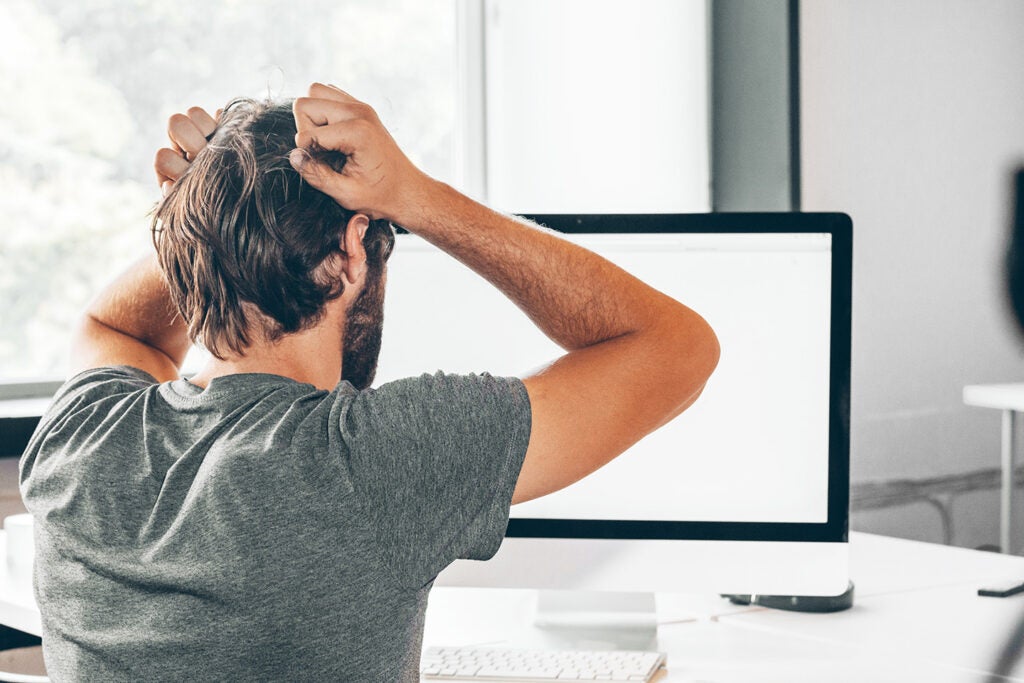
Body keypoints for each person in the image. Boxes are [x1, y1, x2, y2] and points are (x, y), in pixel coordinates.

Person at [19, 83, 719, 681]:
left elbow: (118, 328)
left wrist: (204, 214)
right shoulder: (371, 457)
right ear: (354, 250)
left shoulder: (82, 436)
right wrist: (414, 195)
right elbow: (678, 348)